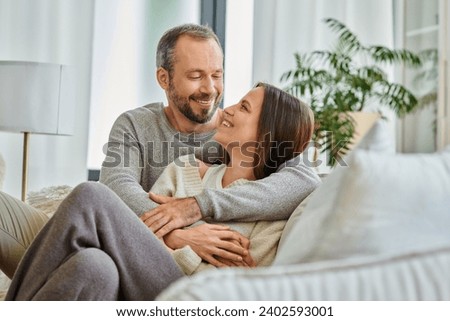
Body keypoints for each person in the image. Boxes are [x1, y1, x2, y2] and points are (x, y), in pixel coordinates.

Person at [0, 23, 319, 281]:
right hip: (112, 239)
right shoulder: (135, 125)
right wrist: (183, 233)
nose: (210, 89)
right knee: (91, 262)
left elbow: (304, 179)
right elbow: (117, 188)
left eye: (217, 75)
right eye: (195, 76)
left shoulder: (244, 138)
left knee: (91, 222)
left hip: (150, 262)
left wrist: (194, 207)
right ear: (163, 78)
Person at [6, 82, 315, 300]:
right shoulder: (184, 169)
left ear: (266, 135)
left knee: (91, 196)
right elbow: (134, 238)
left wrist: (179, 240)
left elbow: (236, 287)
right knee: (93, 268)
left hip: (185, 298)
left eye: (244, 107)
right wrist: (181, 237)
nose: (228, 108)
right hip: (137, 286)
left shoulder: (271, 209)